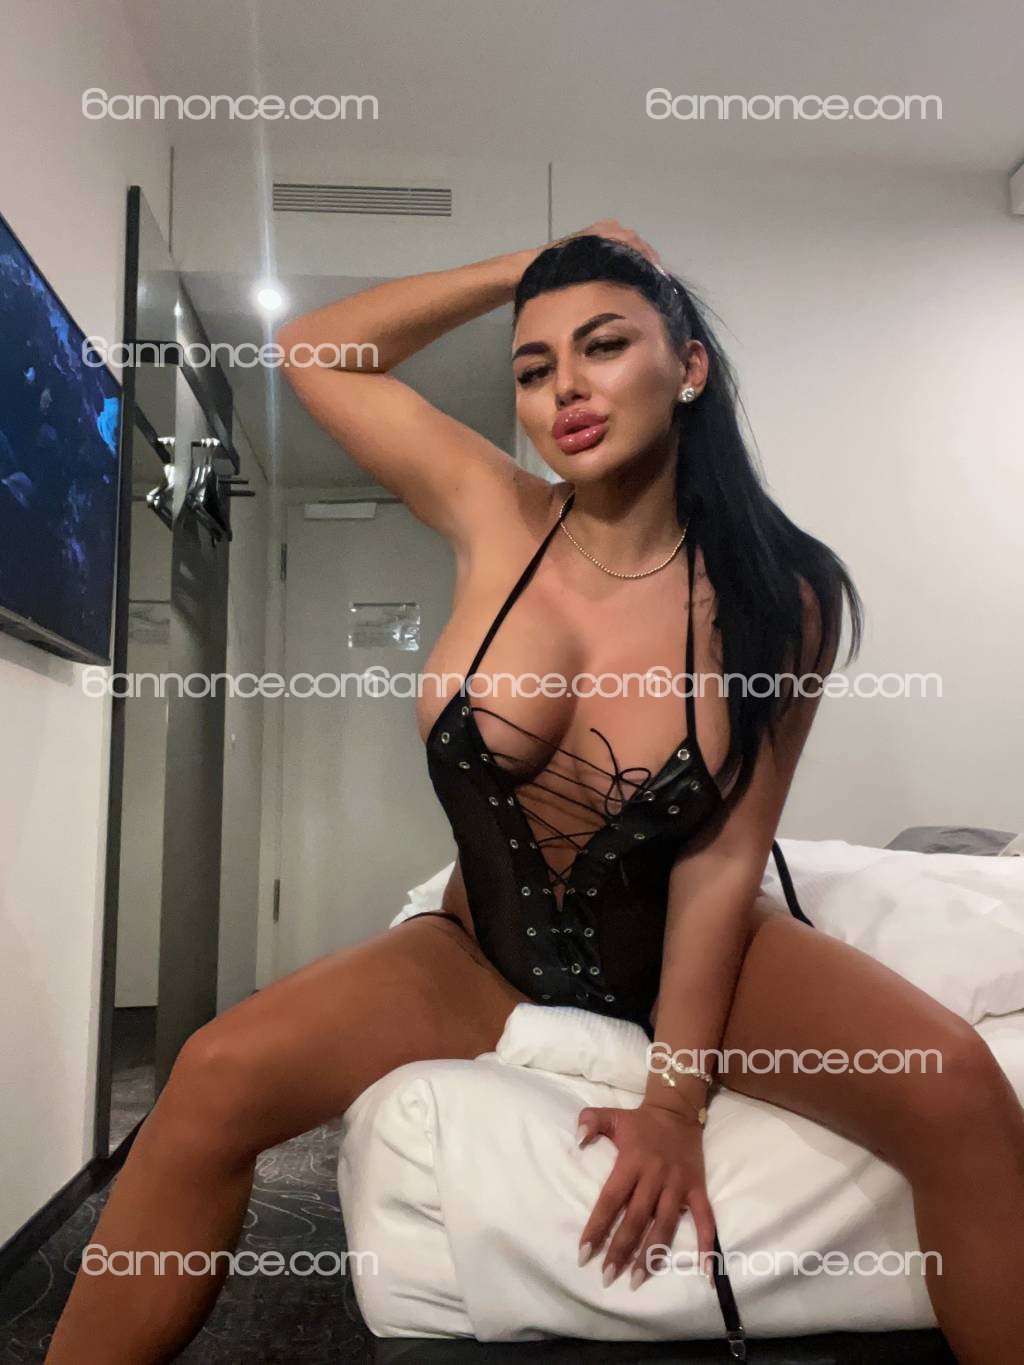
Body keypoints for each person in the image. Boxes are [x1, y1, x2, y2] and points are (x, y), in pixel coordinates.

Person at [46, 224, 1024, 1364]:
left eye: (603, 345)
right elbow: (314, 350)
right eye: (532, 365)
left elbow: (724, 854)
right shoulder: (489, 506)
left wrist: (672, 1098)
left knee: (956, 1091)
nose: (565, 387)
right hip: (480, 954)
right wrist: (529, 267)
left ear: (689, 366)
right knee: (212, 1076)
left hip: (679, 952)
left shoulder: (782, 590)